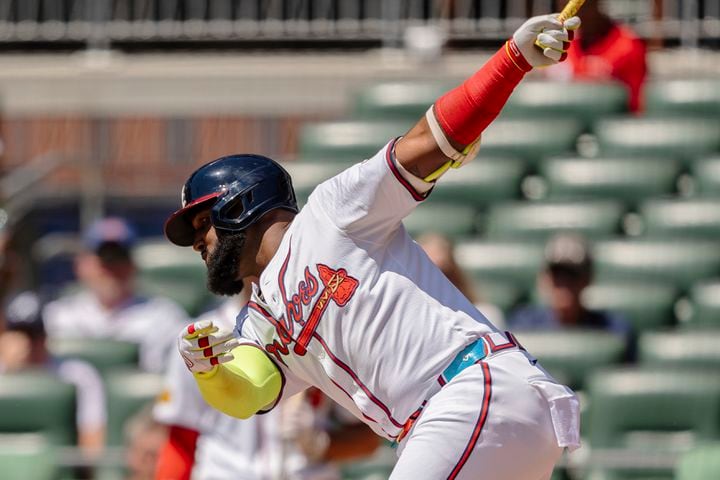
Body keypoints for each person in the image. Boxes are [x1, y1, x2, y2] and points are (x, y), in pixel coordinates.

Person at [164, 12, 581, 480]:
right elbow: (248, 393)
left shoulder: (331, 213)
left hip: (471, 391)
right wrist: (209, 370)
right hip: (455, 422)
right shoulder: (261, 319)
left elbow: (429, 142)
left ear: (239, 205)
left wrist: (512, 61)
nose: (198, 241)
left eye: (202, 223)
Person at [153, 280, 379, 480]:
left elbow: (367, 439)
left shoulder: (323, 330)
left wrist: (321, 443)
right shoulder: (201, 339)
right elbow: (181, 442)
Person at [43, 217, 190, 373]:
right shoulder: (57, 317)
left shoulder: (163, 317)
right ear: (81, 265)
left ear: (133, 265)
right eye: (104, 258)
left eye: (120, 257)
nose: (112, 269)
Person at [1, 291, 108, 455]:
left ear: (45, 336)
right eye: (17, 333)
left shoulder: (76, 376)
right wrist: (12, 373)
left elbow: (92, 446)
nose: (26, 344)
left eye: (33, 334)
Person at [508, 234, 632, 343]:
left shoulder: (610, 328)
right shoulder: (524, 327)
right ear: (544, 280)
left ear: (588, 279)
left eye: (572, 275)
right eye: (557, 275)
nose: (564, 284)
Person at [548, 0, 647, 112]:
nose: (573, 13)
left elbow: (637, 105)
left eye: (578, 6)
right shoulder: (561, 45)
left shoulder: (628, 45)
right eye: (565, 6)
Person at [416, 231, 505, 328]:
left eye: (443, 272)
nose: (437, 281)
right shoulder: (408, 316)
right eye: (425, 273)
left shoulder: (484, 313)